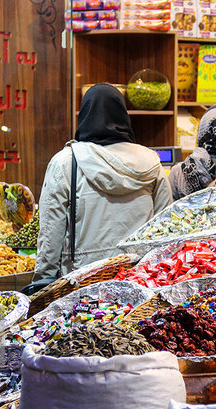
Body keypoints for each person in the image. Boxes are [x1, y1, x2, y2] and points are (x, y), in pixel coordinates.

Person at [34, 84, 172, 280]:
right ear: (124, 116)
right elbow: (166, 228)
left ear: (84, 115)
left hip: (81, 282)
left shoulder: (65, 162)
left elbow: (50, 232)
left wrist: (43, 280)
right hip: (140, 277)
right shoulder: (152, 163)